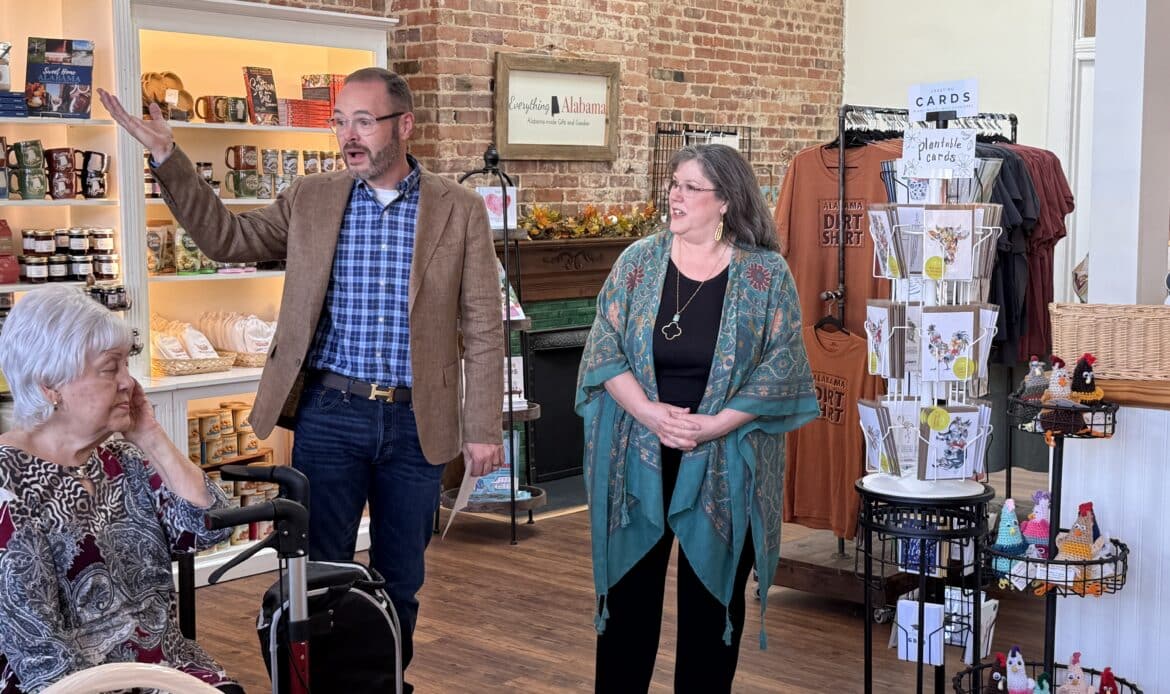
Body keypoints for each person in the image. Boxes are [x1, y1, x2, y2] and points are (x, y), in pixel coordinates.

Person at [97, 67, 504, 690]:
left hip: (417, 421)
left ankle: (385, 684)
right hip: (331, 413)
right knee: (318, 576)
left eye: (364, 121)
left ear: (404, 125)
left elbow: (482, 324)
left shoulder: (460, 208)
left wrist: (483, 427)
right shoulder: (312, 196)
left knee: (402, 580)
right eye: (340, 122)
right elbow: (228, 239)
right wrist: (168, 158)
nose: (349, 135)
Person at [575, 144, 820, 692]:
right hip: (637, 453)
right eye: (674, 184)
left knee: (711, 614)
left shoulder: (764, 274)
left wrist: (714, 425)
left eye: (690, 187)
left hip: (725, 457)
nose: (675, 196)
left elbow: (781, 365)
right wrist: (648, 413)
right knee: (627, 604)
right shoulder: (638, 262)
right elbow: (604, 346)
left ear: (726, 200)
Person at [0, 286, 240, 693]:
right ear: (50, 384)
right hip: (77, 685)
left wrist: (151, 436)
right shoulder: (9, 484)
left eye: (126, 364)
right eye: (110, 368)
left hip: (168, 670)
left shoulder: (121, 458)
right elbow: (38, 651)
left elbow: (211, 527)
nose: (129, 381)